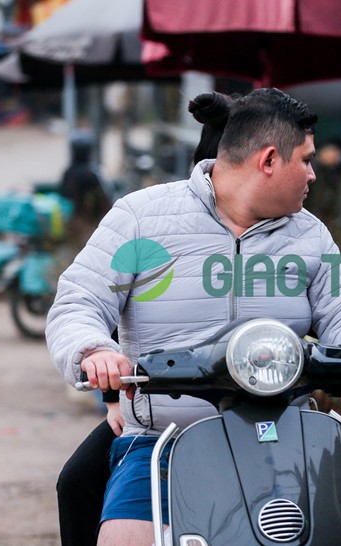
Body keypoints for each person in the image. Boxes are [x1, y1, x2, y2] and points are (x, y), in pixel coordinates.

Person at [46, 88, 341, 546]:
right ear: (269, 160)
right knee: (124, 538)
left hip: (287, 441)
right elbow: (78, 303)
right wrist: (94, 350)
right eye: (307, 160)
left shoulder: (310, 235)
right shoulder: (141, 218)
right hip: (162, 442)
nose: (314, 174)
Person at [53, 92, 235, 546]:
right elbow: (98, 311)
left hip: (259, 423)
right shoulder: (143, 219)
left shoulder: (295, 235)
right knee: (75, 483)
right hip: (154, 415)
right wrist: (113, 395)